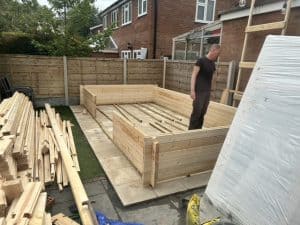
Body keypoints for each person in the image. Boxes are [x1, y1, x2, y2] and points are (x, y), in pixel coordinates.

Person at [188, 44, 221, 130]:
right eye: (217, 53)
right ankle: (190, 132)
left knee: (203, 113)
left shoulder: (213, 64)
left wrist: (212, 91)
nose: (218, 56)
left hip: (207, 92)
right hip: (199, 91)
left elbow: (213, 78)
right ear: (213, 50)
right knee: (196, 113)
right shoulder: (201, 61)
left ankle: (198, 131)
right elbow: (193, 75)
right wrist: (192, 91)